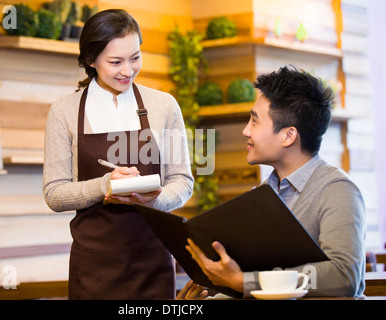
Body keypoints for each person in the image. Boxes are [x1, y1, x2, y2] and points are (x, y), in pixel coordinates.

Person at [178, 66, 366, 299]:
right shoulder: (263, 193)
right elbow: (249, 273)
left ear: (288, 136)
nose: (246, 131)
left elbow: (342, 275)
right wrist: (213, 290)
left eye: (255, 122)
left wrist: (245, 282)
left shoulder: (338, 190)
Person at [43, 9, 193, 300]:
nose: (128, 70)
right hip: (95, 265)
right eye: (115, 62)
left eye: (135, 57)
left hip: (154, 259)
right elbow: (54, 194)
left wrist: (154, 198)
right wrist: (104, 185)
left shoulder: (164, 105)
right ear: (90, 60)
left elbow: (182, 181)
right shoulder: (64, 112)